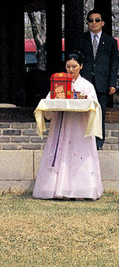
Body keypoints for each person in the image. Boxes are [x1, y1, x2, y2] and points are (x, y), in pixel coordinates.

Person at [33, 52, 103, 200]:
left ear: (81, 66)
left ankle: (83, 190)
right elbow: (50, 99)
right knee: (60, 153)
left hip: (79, 126)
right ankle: (58, 189)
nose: (71, 70)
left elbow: (94, 105)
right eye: (68, 66)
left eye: (74, 66)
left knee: (80, 155)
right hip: (62, 123)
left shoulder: (86, 85)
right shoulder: (59, 82)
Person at [77, 11, 118, 149]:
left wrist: (113, 83)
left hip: (102, 82)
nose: (93, 23)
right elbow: (76, 60)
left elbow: (114, 63)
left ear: (102, 22)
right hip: (85, 81)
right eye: (90, 20)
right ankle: (83, 141)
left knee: (99, 112)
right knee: (83, 112)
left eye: (97, 20)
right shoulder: (81, 39)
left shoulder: (110, 41)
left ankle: (98, 143)